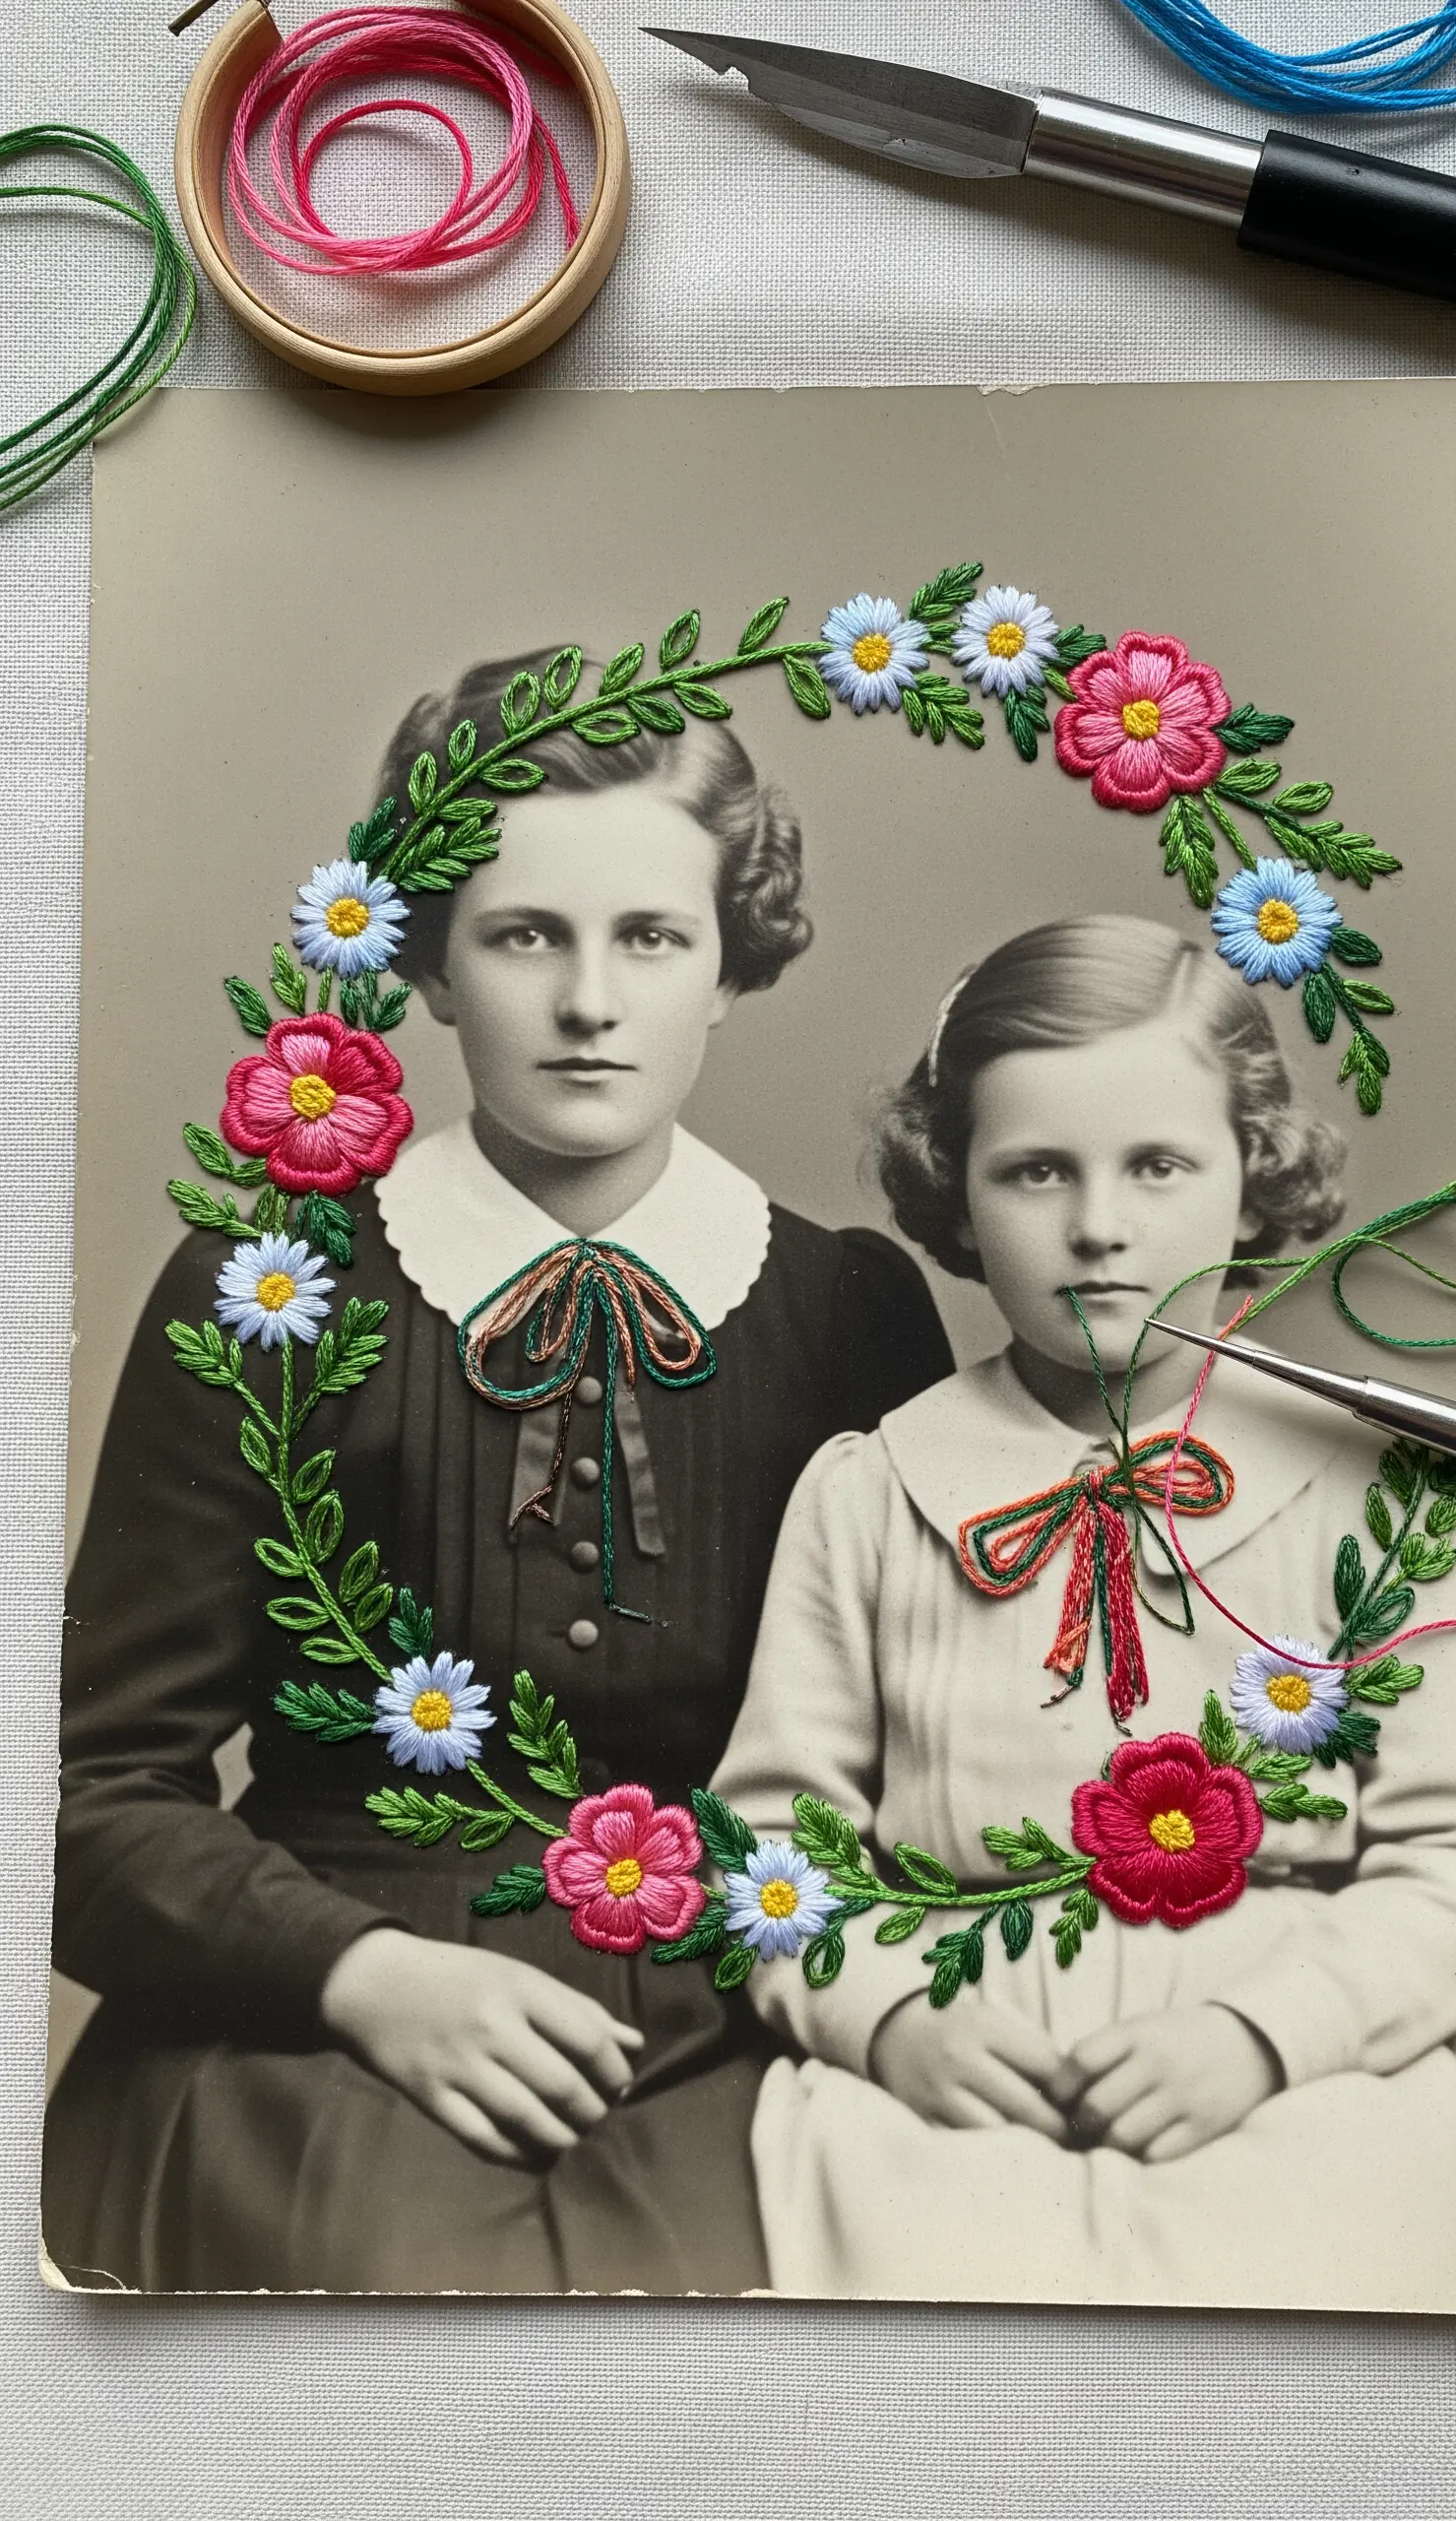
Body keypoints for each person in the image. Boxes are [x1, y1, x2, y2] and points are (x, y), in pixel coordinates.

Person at [43, 650, 953, 2295]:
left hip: (753, 2020)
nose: (590, 1002)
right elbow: (92, 1803)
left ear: (730, 966)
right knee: (365, 2261)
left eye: (652, 938)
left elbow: (938, 1767)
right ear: (435, 968)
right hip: (325, 2022)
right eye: (526, 935)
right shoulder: (269, 1293)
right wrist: (361, 1974)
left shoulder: (847, 1313)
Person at [712, 913, 1456, 2313]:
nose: (1098, 1223)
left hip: (1305, 2057)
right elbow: (768, 1842)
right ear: (954, 1195)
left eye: (1158, 1165)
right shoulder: (870, 1492)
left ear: (1251, 1179)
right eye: (1033, 1172)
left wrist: (1263, 2037)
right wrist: (886, 2023)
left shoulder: (1371, 1489)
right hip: (966, 2051)